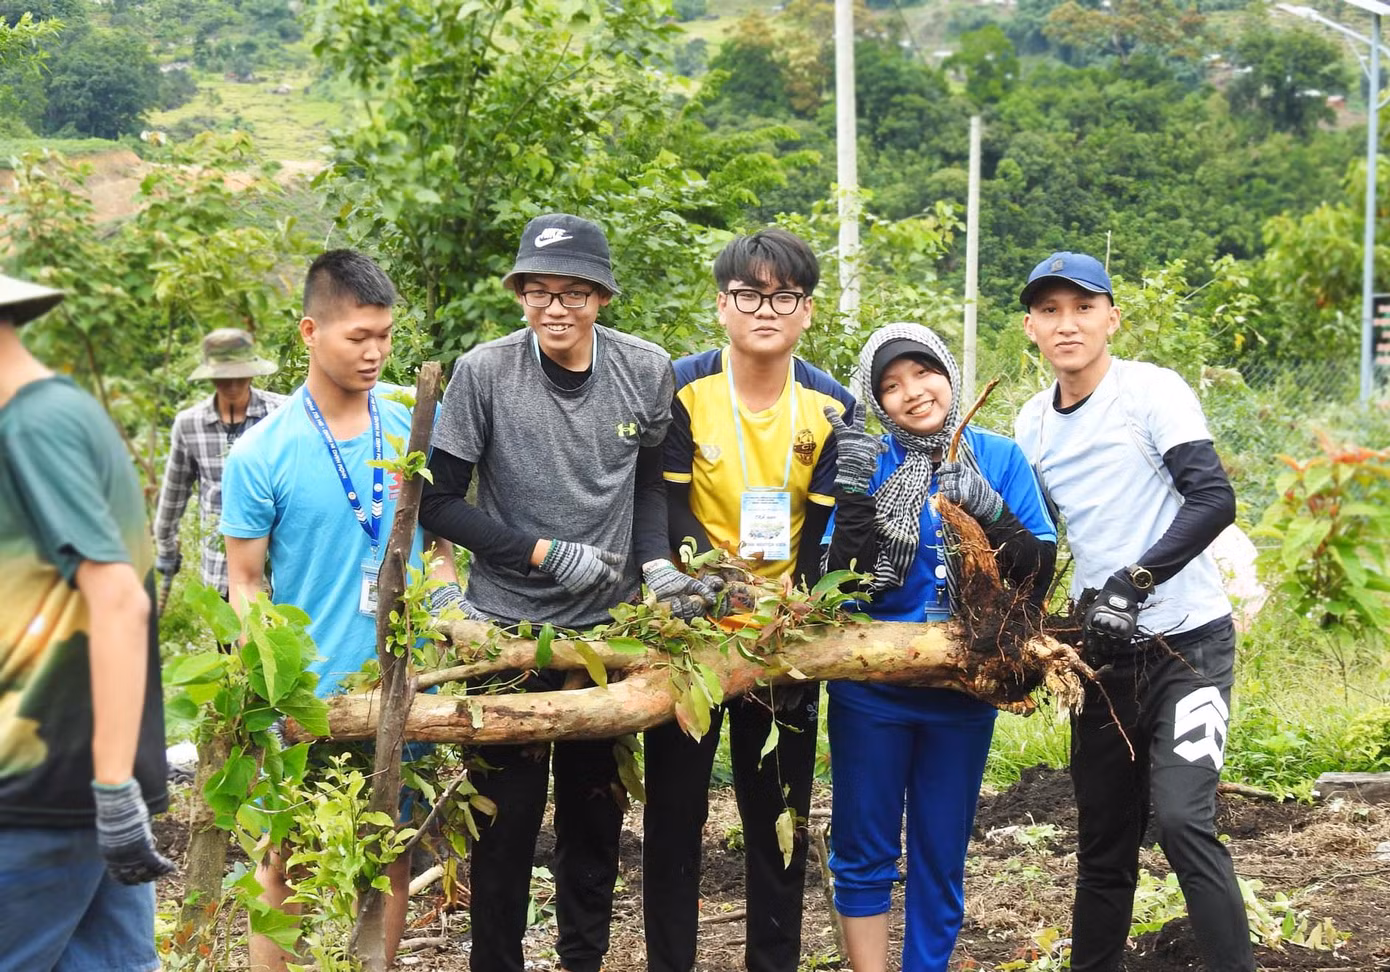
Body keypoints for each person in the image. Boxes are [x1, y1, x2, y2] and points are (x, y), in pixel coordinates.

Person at [418, 212, 714, 972]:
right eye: (539, 292)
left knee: (593, 825)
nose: (556, 308)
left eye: (574, 293)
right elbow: (438, 502)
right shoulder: (484, 373)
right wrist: (541, 552)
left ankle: (583, 961)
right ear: (520, 294)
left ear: (602, 297)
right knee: (504, 829)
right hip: (506, 633)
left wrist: (654, 565)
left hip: (603, 638)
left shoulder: (645, 369)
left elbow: (650, 484)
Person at [1012, 251, 1255, 972]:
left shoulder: (1150, 391)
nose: (1068, 324)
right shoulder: (1033, 424)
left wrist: (1134, 582)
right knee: (1104, 843)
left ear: (1112, 318)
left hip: (1189, 648)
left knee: (1183, 822)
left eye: (1083, 307)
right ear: (1030, 328)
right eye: (1050, 311)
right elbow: (1040, 539)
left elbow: (1213, 499)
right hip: (1103, 659)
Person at [221, 249, 460, 972]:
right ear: (309, 332)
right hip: (311, 699)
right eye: (358, 336)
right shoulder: (263, 453)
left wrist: (446, 604)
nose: (375, 352)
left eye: (384, 335)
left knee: (389, 856)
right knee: (285, 862)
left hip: (402, 687)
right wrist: (274, 682)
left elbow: (441, 547)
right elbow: (245, 582)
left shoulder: (414, 422)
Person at [644, 228, 854, 972]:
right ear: (721, 305)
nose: (766, 310)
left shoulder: (832, 405)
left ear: (807, 310)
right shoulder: (681, 388)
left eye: (784, 296)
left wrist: (809, 597)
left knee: (777, 818)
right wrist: (712, 579)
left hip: (782, 638)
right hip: (691, 630)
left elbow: (828, 526)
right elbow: (666, 505)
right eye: (749, 294)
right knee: (674, 818)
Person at [820, 322, 1056, 972]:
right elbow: (838, 586)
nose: (913, 392)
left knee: (940, 854)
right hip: (872, 692)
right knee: (862, 850)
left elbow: (1038, 570)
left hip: (965, 692)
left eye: (923, 372)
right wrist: (853, 496)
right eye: (891, 385)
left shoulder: (999, 458)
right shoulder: (870, 460)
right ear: (877, 401)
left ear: (948, 372)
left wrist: (992, 512)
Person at [0, 273, 173, 970]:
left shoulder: (32, 426)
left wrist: (110, 788)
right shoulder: (62, 412)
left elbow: (118, 600)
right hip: (82, 791)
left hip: (37, 790)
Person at [153, 327, 286, 601]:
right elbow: (174, 494)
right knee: (227, 625)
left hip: (276, 563)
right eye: (224, 378)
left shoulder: (280, 414)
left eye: (240, 376)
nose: (233, 385)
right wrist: (166, 549)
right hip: (220, 566)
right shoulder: (190, 424)